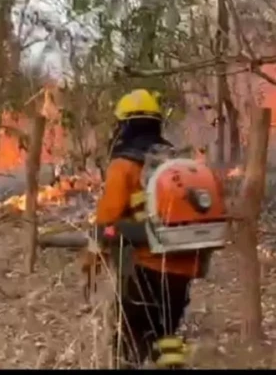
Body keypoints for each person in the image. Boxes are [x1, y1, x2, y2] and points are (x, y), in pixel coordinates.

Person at [91, 89, 203, 369]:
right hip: (182, 265)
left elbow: (108, 219)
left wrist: (95, 254)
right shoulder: (175, 162)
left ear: (124, 125)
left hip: (145, 266)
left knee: (129, 339)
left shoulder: (124, 164)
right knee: (166, 334)